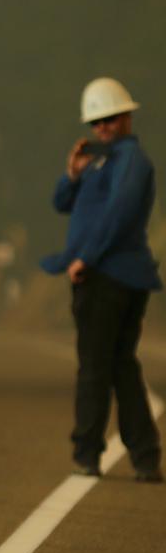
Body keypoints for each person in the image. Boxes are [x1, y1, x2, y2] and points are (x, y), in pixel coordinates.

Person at [41, 76, 163, 483]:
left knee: (95, 367)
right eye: (96, 122)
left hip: (108, 278)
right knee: (120, 366)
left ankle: (87, 453)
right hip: (109, 276)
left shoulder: (130, 160)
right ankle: (145, 455)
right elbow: (61, 202)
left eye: (110, 119)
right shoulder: (101, 162)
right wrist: (73, 173)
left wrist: (85, 259)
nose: (103, 128)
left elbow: (120, 214)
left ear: (127, 116)